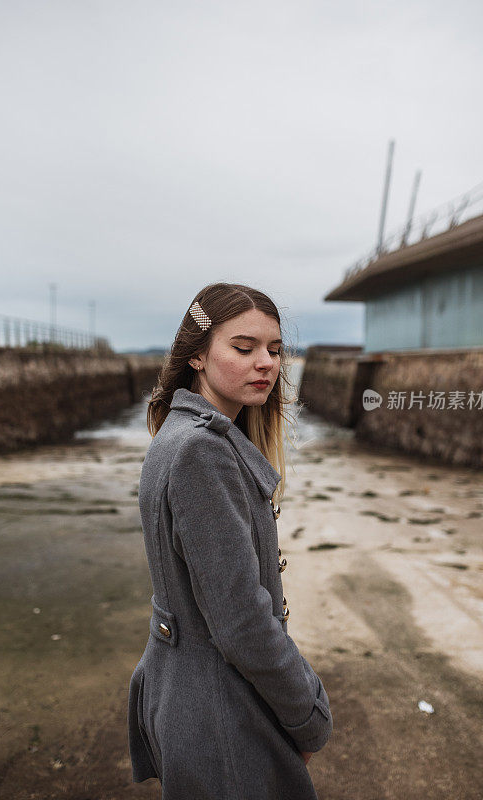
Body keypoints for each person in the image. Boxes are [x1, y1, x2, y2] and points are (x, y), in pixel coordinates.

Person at [127, 282, 333, 800]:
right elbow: (241, 621)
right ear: (197, 355)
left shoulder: (176, 434)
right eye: (244, 348)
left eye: (275, 350)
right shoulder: (204, 452)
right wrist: (304, 713)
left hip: (190, 697)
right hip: (221, 713)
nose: (266, 363)